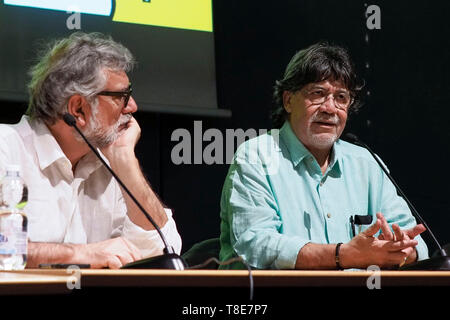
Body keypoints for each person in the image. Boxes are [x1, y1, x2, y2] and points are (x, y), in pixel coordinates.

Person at [219, 42, 429, 270]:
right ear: (288, 100)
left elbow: (415, 242)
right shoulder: (257, 157)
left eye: (341, 97)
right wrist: (343, 255)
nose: (330, 108)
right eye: (318, 93)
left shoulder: (366, 163)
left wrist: (403, 249)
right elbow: (255, 245)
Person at [0, 32, 181, 269]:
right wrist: (80, 254)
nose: (133, 106)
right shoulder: (6, 147)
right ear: (78, 109)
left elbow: (166, 250)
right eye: (121, 96)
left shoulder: (109, 167)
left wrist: (125, 160)